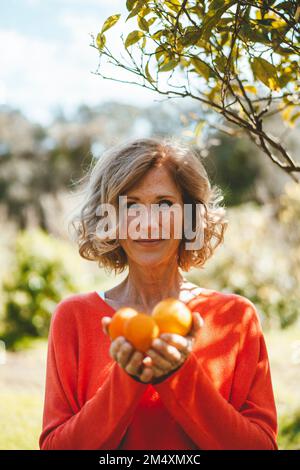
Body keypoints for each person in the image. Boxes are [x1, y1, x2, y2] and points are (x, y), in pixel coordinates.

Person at [39, 136, 278, 450]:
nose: (147, 223)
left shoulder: (235, 317)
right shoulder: (74, 318)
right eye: (131, 205)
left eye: (164, 203)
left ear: (189, 216)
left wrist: (181, 375)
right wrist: (127, 379)